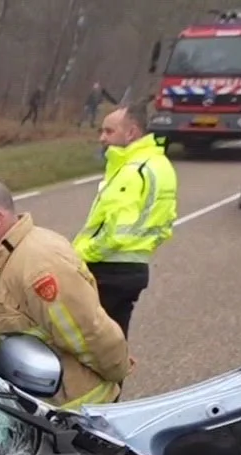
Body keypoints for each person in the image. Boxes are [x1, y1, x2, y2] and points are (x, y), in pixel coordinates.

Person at [0, 179, 130, 409]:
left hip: (73, 410)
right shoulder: (4, 256)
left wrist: (117, 371)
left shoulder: (39, 267)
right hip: (43, 404)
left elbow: (89, 334)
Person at [73, 100, 177, 334]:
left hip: (107, 270)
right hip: (136, 268)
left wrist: (79, 254)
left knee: (86, 339)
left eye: (109, 131)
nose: (102, 138)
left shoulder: (133, 171)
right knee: (116, 337)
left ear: (131, 133)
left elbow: (115, 233)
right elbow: (166, 222)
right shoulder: (161, 165)